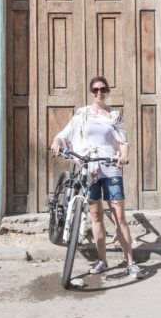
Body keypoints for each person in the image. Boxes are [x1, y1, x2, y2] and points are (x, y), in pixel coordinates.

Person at [50, 76, 141, 280]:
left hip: (110, 167)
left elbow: (123, 142)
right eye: (95, 90)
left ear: (108, 91)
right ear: (91, 92)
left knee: (119, 217)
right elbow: (66, 132)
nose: (99, 93)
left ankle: (131, 263)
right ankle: (102, 260)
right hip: (89, 168)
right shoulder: (83, 114)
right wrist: (57, 141)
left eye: (103, 89)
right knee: (96, 216)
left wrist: (124, 155)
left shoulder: (115, 115)